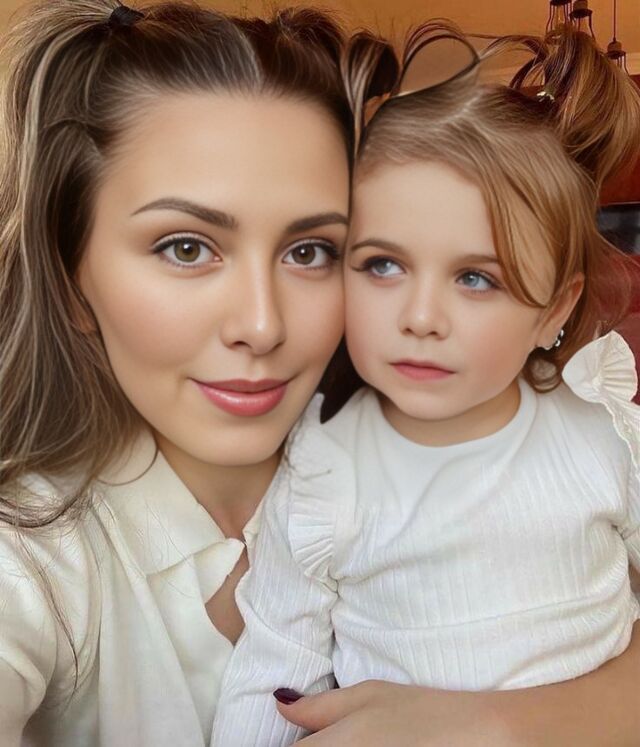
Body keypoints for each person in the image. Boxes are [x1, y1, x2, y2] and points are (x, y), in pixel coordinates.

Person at [0, 3, 639, 746]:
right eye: (185, 247)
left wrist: (501, 726)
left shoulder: (547, 434)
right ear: (72, 283)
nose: (262, 324)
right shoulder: (33, 561)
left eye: (310, 251)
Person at [212, 22, 640, 746]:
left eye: (476, 278)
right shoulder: (323, 469)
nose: (419, 317)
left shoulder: (603, 435)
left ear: (555, 310)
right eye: (382, 265)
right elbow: (276, 661)